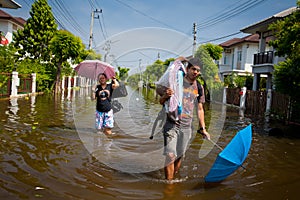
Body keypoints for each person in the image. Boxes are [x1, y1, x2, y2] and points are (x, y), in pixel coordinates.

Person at [157, 57, 210, 181]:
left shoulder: (199, 87)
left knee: (179, 156)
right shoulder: (175, 82)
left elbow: (200, 109)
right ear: (187, 69)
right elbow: (161, 101)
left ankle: (174, 177)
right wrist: (166, 95)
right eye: (193, 69)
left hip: (187, 126)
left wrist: (203, 128)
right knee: (170, 155)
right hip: (172, 123)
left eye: (198, 70)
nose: (195, 72)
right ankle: (169, 186)